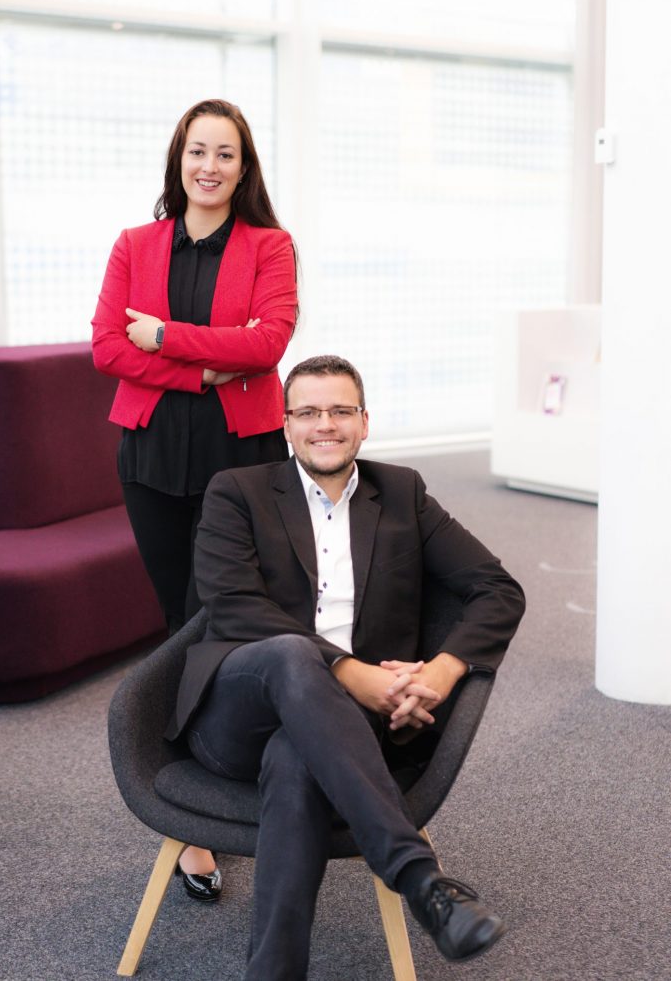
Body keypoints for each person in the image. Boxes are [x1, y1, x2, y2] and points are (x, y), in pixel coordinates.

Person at [165, 355, 526, 980]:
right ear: (286, 425)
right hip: (236, 713)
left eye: (339, 411)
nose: (324, 425)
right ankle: (419, 878)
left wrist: (442, 671)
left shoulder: (403, 493)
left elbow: (497, 589)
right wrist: (354, 674)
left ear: (365, 422)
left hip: (341, 731)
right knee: (289, 653)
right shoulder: (238, 492)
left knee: (295, 758)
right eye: (307, 412)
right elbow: (236, 606)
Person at [92, 99, 297, 901]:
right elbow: (107, 347)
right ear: (178, 159)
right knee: (177, 620)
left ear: (243, 169)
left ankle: (231, 763)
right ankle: (185, 813)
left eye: (225, 154)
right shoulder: (134, 243)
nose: (209, 166)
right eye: (197, 151)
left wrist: (165, 336)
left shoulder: (269, 245)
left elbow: (267, 344)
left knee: (228, 616)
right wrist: (205, 367)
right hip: (149, 457)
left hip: (240, 456)